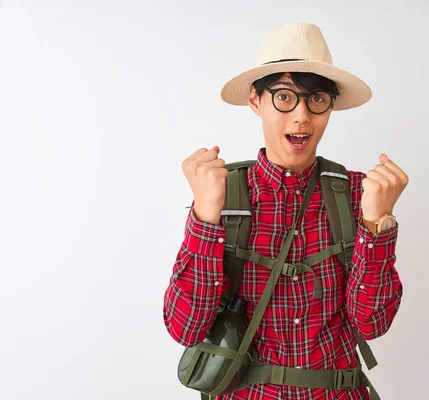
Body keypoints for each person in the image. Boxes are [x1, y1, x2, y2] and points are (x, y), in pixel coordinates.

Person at [163, 22, 409, 399]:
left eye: (316, 99)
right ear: (255, 101)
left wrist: (377, 224)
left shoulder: (359, 193)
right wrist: (206, 215)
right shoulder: (221, 193)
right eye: (283, 97)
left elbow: (372, 323)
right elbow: (187, 328)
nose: (301, 116)